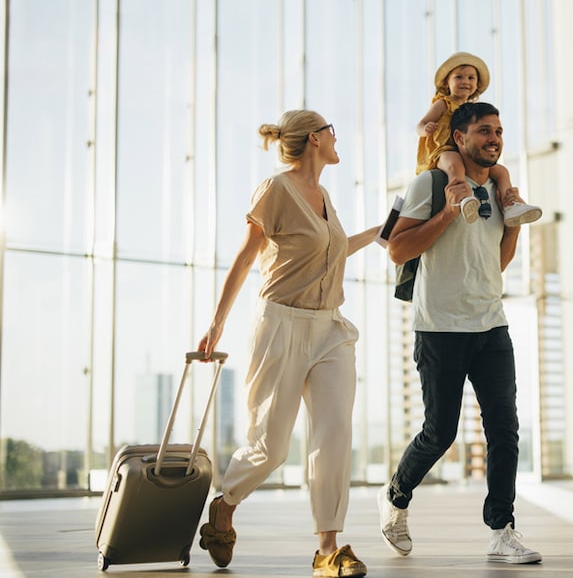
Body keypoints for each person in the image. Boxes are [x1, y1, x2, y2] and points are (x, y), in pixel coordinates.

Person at [195, 110, 379, 578]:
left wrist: (381, 231)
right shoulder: (276, 190)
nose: (338, 139)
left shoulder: (325, 196)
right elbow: (244, 256)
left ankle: (328, 549)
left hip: (330, 329)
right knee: (270, 447)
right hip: (281, 325)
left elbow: (331, 252)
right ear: (315, 138)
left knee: (334, 432)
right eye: (333, 131)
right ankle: (226, 504)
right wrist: (217, 323)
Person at [379, 101, 542, 565]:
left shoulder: (498, 187)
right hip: (440, 328)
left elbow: (497, 262)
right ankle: (395, 496)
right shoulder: (431, 183)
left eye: (499, 131)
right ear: (459, 138)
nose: (494, 138)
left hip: (491, 324)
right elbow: (396, 249)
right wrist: (449, 214)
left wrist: (513, 225)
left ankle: (501, 529)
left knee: (504, 430)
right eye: (484, 131)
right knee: (440, 431)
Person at [417, 52, 541, 227]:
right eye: (458, 77)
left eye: (471, 78)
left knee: (502, 172)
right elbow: (421, 123)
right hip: (444, 150)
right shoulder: (443, 103)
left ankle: (511, 204)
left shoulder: (473, 110)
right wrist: (426, 129)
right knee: (454, 165)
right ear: (447, 83)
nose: (465, 81)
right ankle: (463, 197)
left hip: (467, 152)